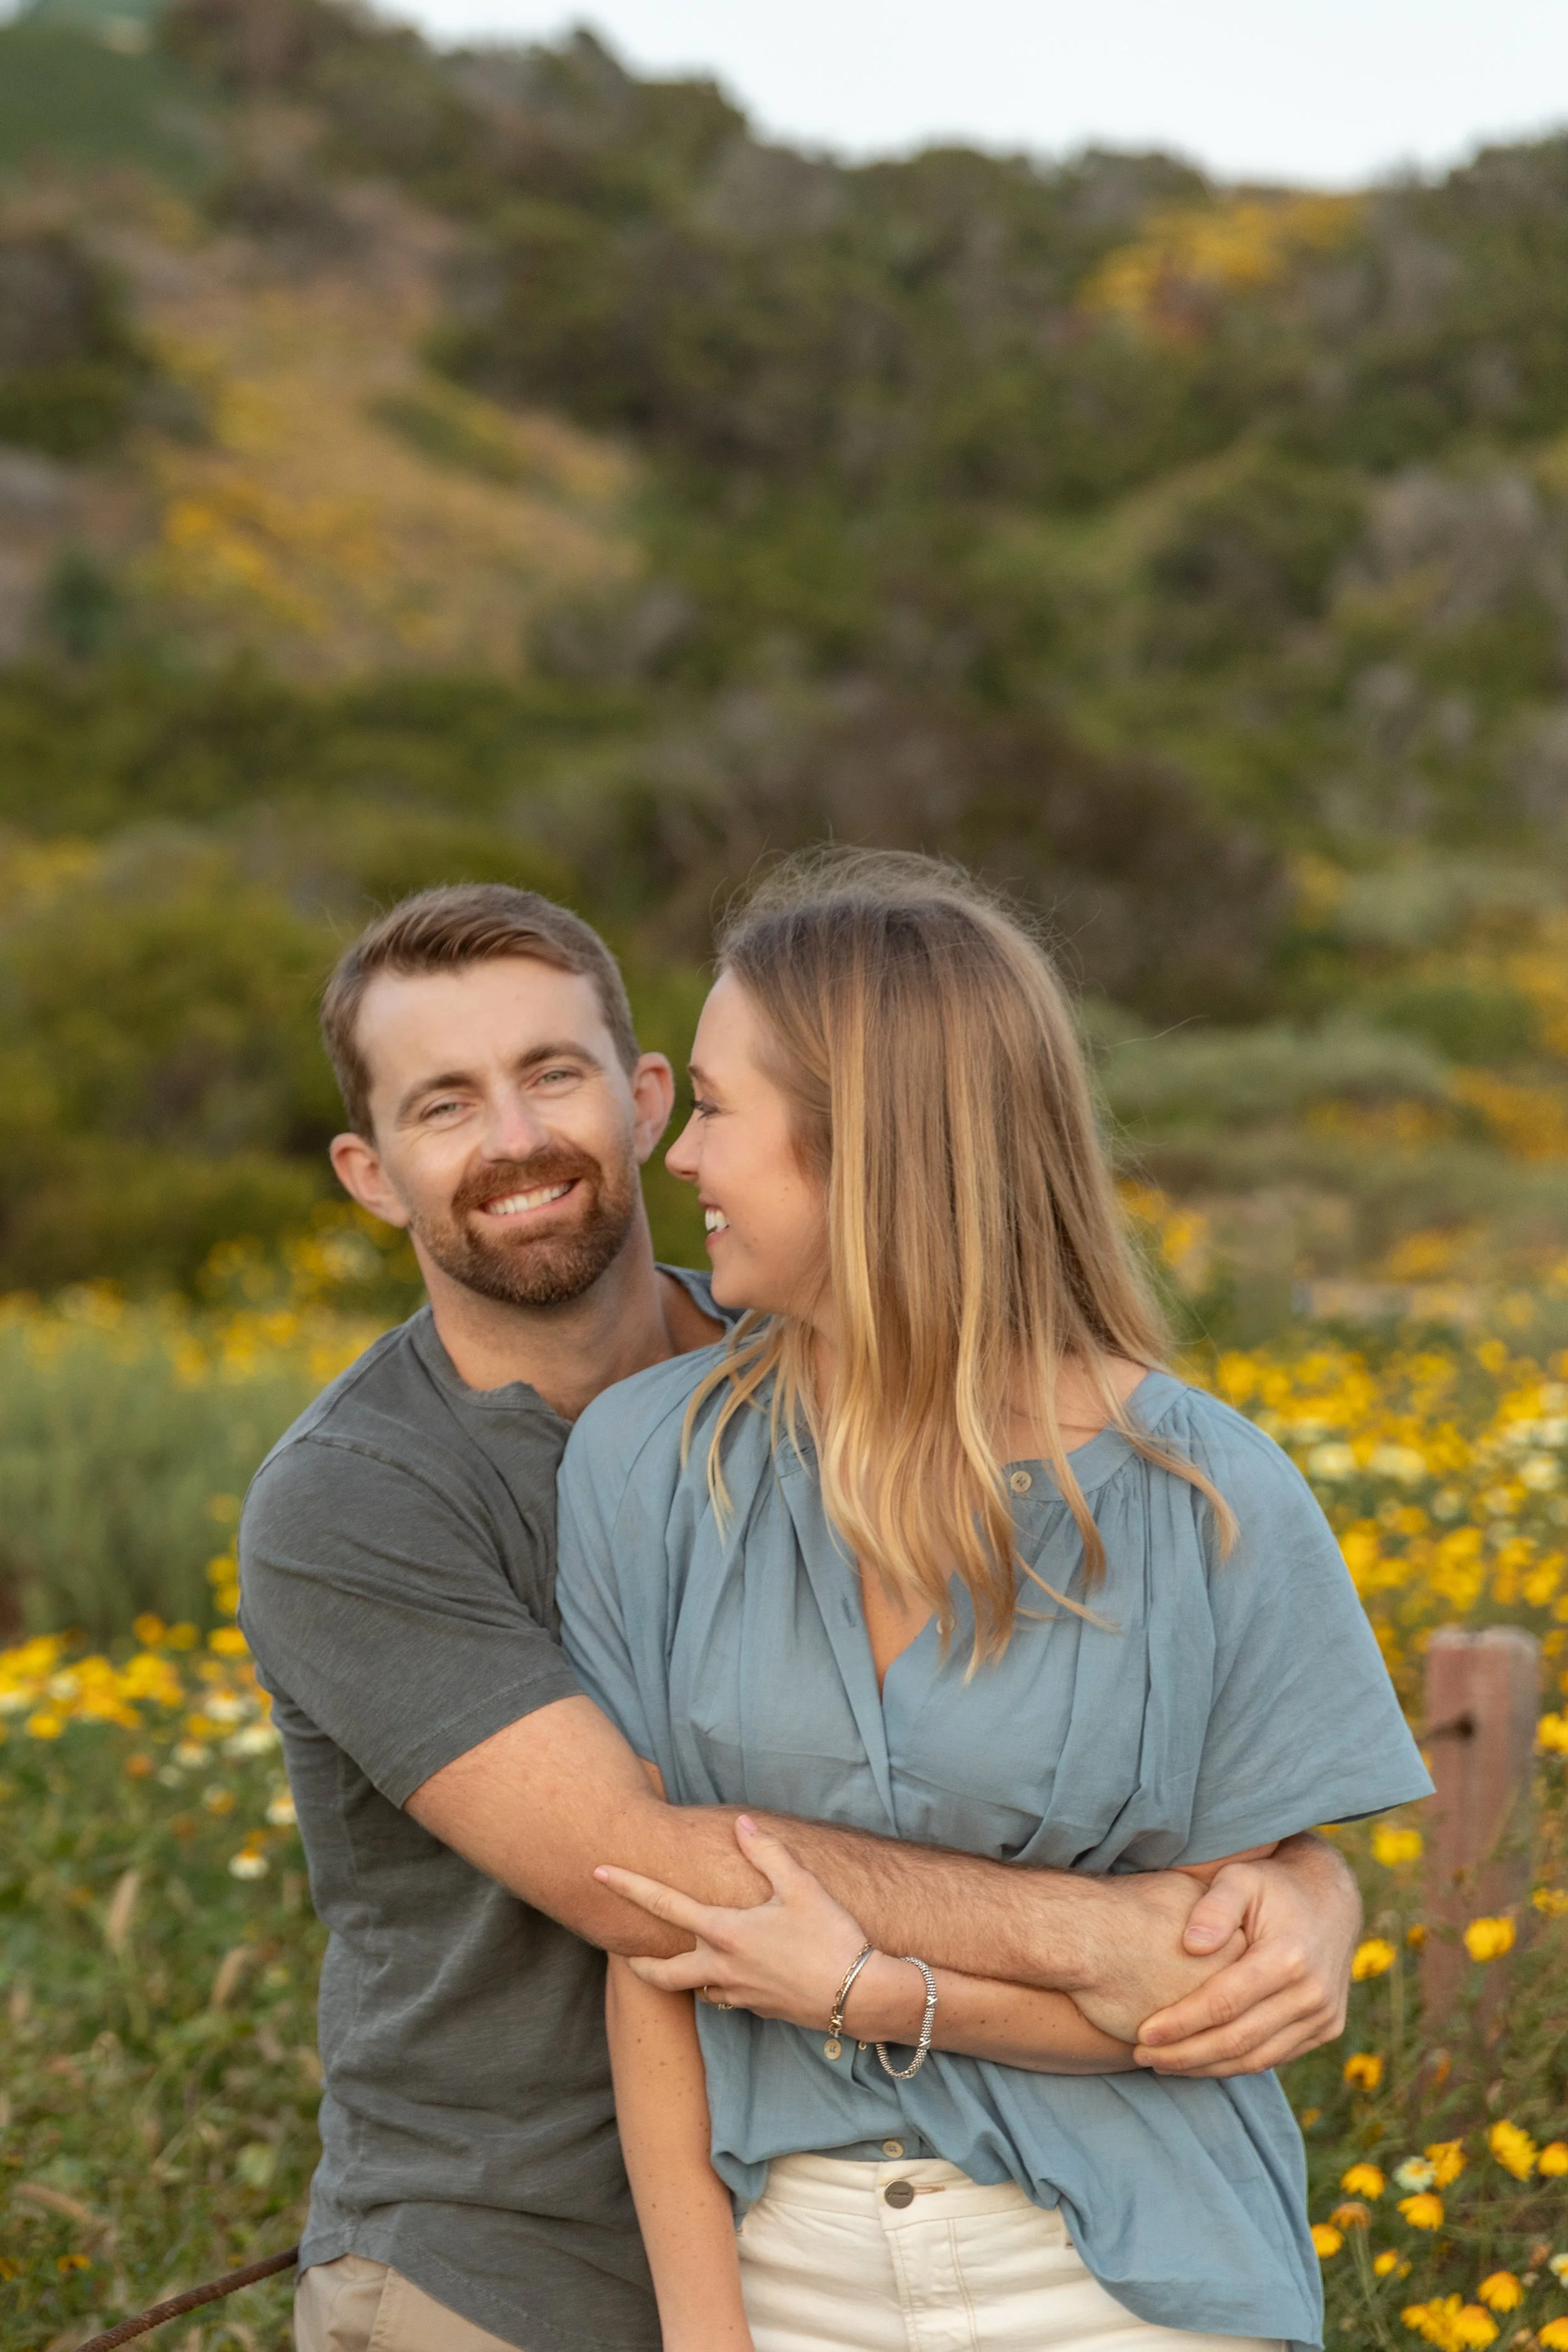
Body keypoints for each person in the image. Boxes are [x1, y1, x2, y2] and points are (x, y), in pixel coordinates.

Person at [240, 881, 1370, 2352]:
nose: (515, 1139)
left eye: (552, 1073)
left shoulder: (825, 1383)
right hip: (512, 2246)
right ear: (369, 1171)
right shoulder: (358, 1500)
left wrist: (1305, 1899)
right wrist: (1109, 1939)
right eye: (443, 1104)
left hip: (978, 2216)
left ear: (642, 1100)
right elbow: (646, 1874)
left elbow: (1213, 1835)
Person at [555, 852, 1433, 2352]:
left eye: (712, 1108)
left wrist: (871, 1990)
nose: (676, 1159)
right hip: (785, 2274)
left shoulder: (1204, 1496)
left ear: (867, 1145)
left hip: (1137, 2277)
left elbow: (1195, 1992)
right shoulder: (646, 1463)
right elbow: (645, 1923)